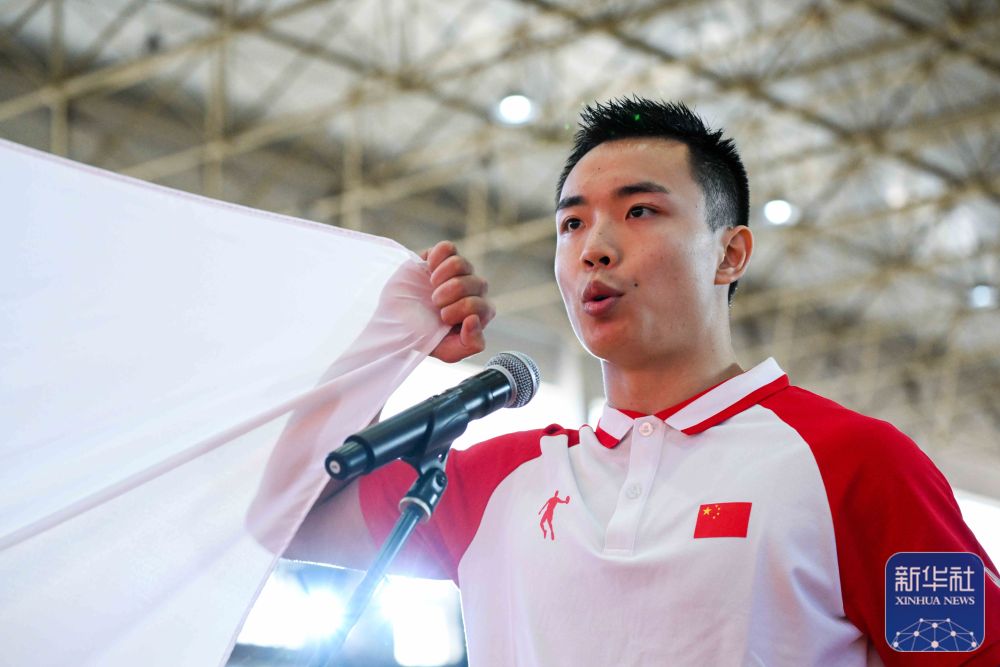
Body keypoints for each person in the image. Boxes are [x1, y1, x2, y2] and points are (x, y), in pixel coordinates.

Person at [286, 97, 1000, 665]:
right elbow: (294, 514)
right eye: (572, 224)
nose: (594, 247)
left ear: (730, 253)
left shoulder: (855, 464)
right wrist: (388, 345)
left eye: (640, 211)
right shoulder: (497, 485)